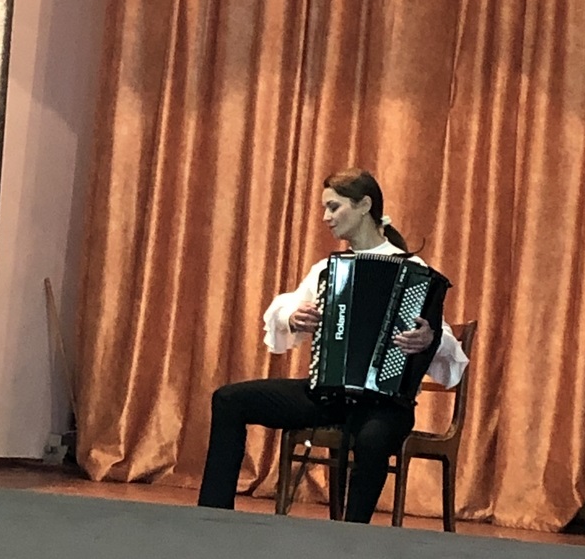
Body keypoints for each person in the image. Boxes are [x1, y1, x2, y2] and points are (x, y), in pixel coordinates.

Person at [198, 168, 469, 523]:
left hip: (385, 403)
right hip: (328, 396)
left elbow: (446, 341)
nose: (326, 217)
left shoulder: (413, 270)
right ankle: (213, 519)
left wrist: (429, 338)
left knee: (372, 441)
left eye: (334, 207)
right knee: (229, 400)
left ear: (364, 206)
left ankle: (351, 535)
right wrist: (293, 317)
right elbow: (282, 308)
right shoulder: (329, 269)